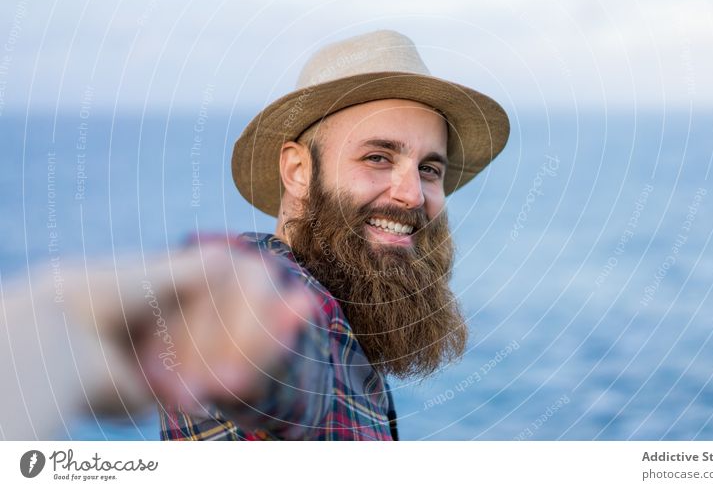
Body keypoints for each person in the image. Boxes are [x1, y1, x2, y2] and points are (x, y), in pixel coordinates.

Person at [0, 30, 509, 441]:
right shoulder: (284, 299)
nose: (414, 195)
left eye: (429, 169)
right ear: (296, 170)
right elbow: (277, 346)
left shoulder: (350, 338)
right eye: (377, 157)